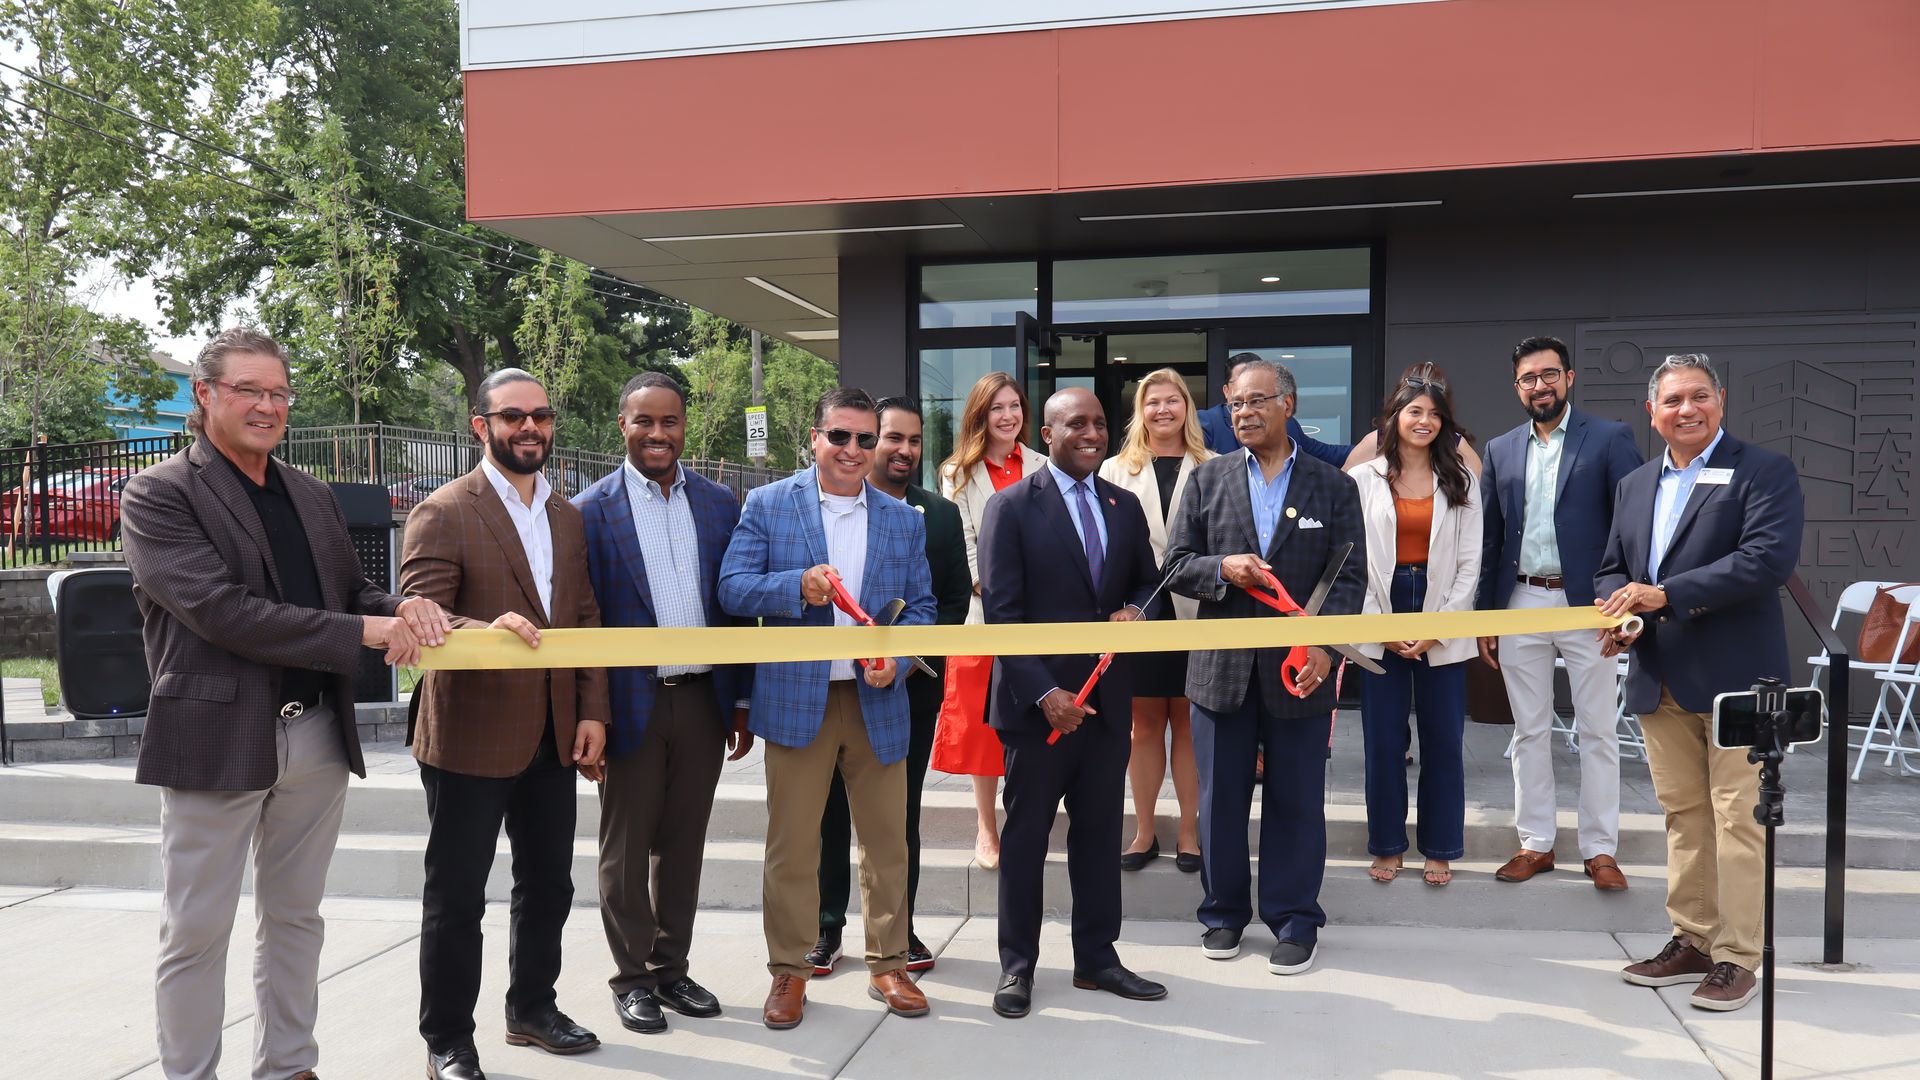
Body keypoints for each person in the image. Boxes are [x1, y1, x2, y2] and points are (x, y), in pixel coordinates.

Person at [120, 327, 449, 1080]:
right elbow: (224, 612)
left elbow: (353, 596)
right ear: (205, 395)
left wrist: (423, 611)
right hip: (216, 738)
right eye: (248, 390)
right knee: (196, 932)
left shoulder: (310, 493)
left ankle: (289, 1066)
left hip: (316, 740)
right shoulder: (159, 495)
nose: (267, 406)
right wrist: (371, 627)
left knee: (297, 919)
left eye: (278, 392)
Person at [400, 368, 611, 1080]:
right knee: (457, 896)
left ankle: (532, 1010)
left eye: (542, 416)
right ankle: (447, 1041)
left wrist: (591, 711)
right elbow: (421, 617)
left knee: (549, 885)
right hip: (469, 734)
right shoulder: (444, 510)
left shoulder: (567, 515)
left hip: (555, 732)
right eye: (513, 416)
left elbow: (583, 620)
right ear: (479, 425)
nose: (530, 428)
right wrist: (487, 627)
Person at [718, 387, 938, 1030]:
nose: (853, 450)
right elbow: (732, 587)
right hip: (795, 700)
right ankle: (789, 974)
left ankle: (889, 964)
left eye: (866, 439)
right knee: (791, 848)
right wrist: (797, 586)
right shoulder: (768, 503)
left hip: (877, 700)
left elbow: (923, 609)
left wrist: (898, 661)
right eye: (839, 436)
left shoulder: (903, 519)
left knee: (887, 844)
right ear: (813, 438)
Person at [1597, 353, 1804, 1012]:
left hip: (1740, 679)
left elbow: (1765, 561)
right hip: (1659, 676)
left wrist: (1663, 595)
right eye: (1672, 401)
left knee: (1739, 821)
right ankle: (1692, 938)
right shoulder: (1634, 484)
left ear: (1721, 401)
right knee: (1684, 819)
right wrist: (1622, 612)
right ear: (1652, 414)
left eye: (1698, 397)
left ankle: (1738, 956)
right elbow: (1611, 570)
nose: (1686, 410)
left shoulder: (1763, 471)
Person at [1166, 358, 1365, 976]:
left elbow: (1350, 578)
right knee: (1219, 800)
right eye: (1234, 404)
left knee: (1296, 800)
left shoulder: (1334, 486)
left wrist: (1327, 652)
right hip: (1219, 673)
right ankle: (1223, 914)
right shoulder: (1206, 479)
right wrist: (1223, 569)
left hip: (1300, 671)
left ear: (1289, 404)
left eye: (1256, 401)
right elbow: (1175, 564)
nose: (1243, 413)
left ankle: (1294, 919)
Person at [573, 371, 754, 1036]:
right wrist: (586, 712)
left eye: (669, 422)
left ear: (684, 427)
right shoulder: (589, 510)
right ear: (622, 425)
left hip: (704, 700)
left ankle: (671, 969)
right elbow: (580, 620)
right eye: (643, 421)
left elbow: (733, 609)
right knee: (624, 851)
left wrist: (740, 703)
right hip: (630, 704)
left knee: (683, 845)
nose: (657, 434)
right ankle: (632, 979)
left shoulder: (717, 504)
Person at [981, 387, 1165, 1019]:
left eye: (1099, 424)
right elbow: (1002, 618)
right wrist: (1044, 694)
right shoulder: (1011, 508)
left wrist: (1138, 608)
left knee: (1095, 837)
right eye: (1076, 423)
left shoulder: (1124, 504)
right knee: (1027, 839)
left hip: (1107, 706)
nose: (1091, 433)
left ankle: (1098, 960)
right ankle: (1017, 968)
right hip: (1039, 715)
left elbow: (1150, 581)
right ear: (1049, 432)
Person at [810, 396, 971, 976]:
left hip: (911, 688)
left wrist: (903, 659)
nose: (903, 450)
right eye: (892, 438)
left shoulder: (939, 515)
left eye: (913, 440)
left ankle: (898, 930)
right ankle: (825, 928)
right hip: (827, 688)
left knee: (899, 816)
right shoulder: (823, 507)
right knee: (827, 810)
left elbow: (949, 605)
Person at [1477, 336, 1642, 890]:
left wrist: (1625, 601)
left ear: (1569, 378)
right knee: (1529, 729)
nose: (1540, 385)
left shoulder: (1611, 438)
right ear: (1517, 387)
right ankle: (1535, 843)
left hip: (1591, 603)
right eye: (1529, 378)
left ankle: (1600, 850)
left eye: (1550, 374)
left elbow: (1633, 525)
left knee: (1598, 729)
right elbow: (1491, 537)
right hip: (1520, 600)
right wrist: (1486, 617)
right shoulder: (1500, 450)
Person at [1348, 363, 1482, 887]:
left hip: (1441, 605)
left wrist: (1441, 625)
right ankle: (1386, 843)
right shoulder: (1364, 478)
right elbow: (1350, 560)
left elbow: (1471, 562)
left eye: (1434, 413)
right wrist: (1376, 625)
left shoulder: (1461, 479)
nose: (1423, 421)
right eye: (1414, 411)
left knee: (1443, 739)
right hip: (1380, 605)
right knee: (1382, 741)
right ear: (1395, 416)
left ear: (1446, 422)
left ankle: (1441, 844)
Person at [1099, 368, 1211, 872]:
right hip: (1136, 609)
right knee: (1143, 726)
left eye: (1173, 400)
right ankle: (1144, 831)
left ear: (1187, 407)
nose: (1163, 410)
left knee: (1187, 723)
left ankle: (1189, 832)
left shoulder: (1215, 466)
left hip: (1196, 610)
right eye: (1152, 402)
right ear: (1139, 411)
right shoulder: (1113, 469)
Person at [935, 372, 1042, 870]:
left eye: (1015, 406)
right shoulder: (958, 471)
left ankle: (1029, 816)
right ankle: (985, 825)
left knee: (1037, 721)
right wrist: (1003, 596)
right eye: (997, 408)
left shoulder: (1043, 465)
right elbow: (966, 547)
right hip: (983, 615)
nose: (1008, 416)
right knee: (982, 728)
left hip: (1042, 617)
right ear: (980, 413)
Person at [1198, 352, 1351, 465]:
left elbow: (1328, 455)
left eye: (1257, 398)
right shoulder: (1207, 423)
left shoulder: (1287, 425)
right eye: (1240, 380)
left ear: (1287, 404)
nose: (1245, 411)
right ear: (1226, 391)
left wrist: (1373, 442)